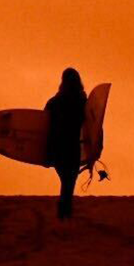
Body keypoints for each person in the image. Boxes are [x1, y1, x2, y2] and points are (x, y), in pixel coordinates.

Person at [45, 68, 87, 220]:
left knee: (66, 181)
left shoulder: (54, 102)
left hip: (58, 148)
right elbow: (92, 125)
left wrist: (46, 153)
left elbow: (44, 126)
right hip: (72, 148)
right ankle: (64, 213)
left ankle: (64, 213)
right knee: (69, 182)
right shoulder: (82, 101)